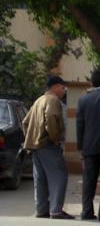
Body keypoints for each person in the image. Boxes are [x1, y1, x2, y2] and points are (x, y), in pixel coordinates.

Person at [23, 75, 73, 219]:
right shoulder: (52, 100)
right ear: (54, 88)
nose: (64, 91)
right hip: (48, 145)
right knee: (59, 176)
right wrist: (55, 138)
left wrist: (30, 139)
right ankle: (56, 210)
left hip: (36, 146)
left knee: (41, 179)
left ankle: (41, 210)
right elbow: (50, 117)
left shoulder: (39, 100)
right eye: (62, 87)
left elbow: (25, 123)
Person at [76, 71, 100, 220]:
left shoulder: (83, 100)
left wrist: (80, 146)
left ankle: (87, 211)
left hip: (88, 145)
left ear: (91, 84)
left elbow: (79, 124)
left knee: (89, 181)